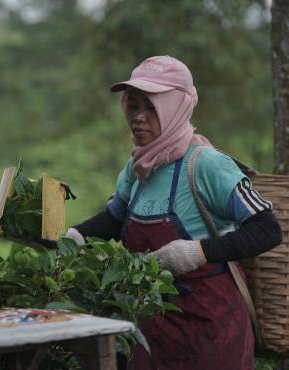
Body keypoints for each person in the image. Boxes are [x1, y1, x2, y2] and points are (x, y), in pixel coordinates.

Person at [66, 55, 282, 370]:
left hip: (212, 333)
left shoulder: (207, 165)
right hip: (154, 333)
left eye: (151, 107)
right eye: (133, 105)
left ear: (176, 107)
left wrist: (196, 252)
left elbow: (267, 229)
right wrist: (73, 237)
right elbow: (114, 219)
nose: (138, 117)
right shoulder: (138, 167)